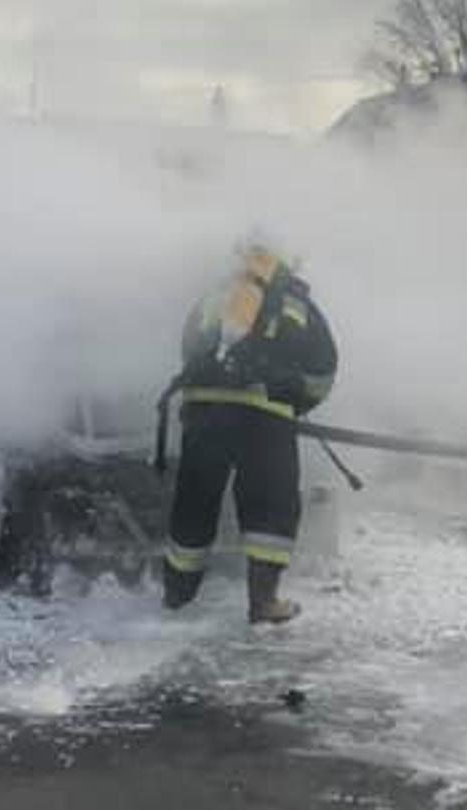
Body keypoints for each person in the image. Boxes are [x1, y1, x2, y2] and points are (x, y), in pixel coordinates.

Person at [161, 238, 338, 624]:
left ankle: (176, 600)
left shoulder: (213, 298)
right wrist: (295, 403)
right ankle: (263, 604)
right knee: (269, 511)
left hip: (205, 414)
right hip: (265, 418)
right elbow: (323, 373)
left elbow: (189, 348)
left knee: (194, 504)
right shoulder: (296, 305)